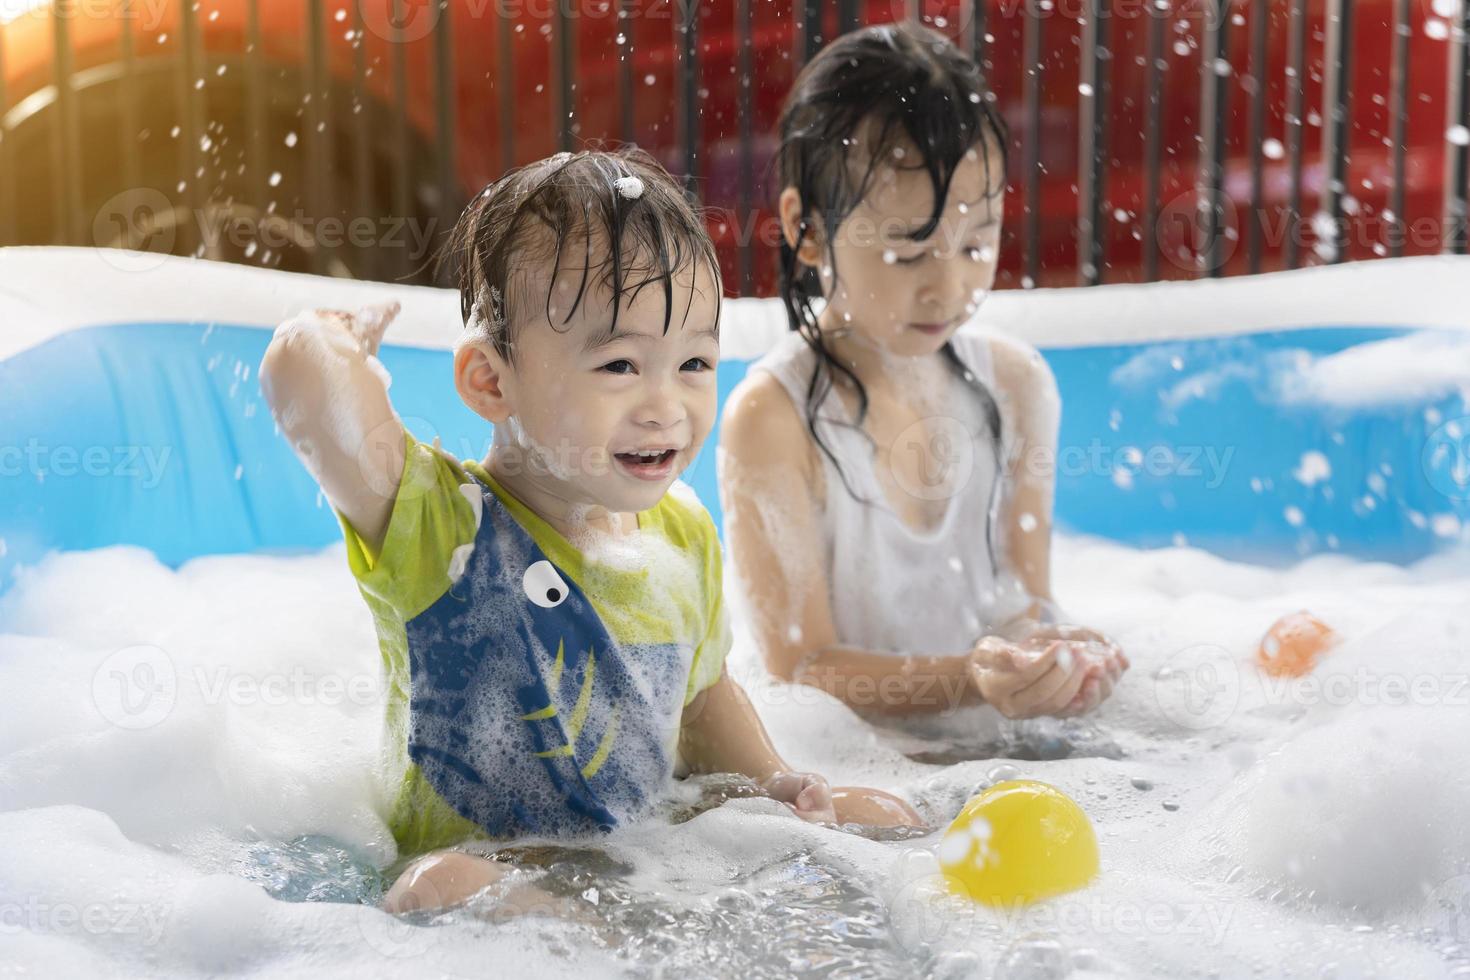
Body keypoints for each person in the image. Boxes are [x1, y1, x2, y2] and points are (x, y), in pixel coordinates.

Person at [258, 147, 920, 915]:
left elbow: (702, 700)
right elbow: (302, 383)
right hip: (491, 881)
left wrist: (772, 781)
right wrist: (330, 332)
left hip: (645, 864)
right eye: (619, 366)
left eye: (695, 362)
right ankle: (589, 938)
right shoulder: (440, 528)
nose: (665, 405)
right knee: (435, 886)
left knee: (888, 816)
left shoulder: (681, 539)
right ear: (490, 380)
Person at [718, 24, 1129, 724]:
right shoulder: (772, 420)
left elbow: (1026, 601)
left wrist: (1055, 658)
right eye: (910, 253)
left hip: (983, 743)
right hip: (849, 768)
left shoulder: (1015, 384)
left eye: (977, 242)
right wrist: (970, 681)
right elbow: (800, 670)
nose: (949, 288)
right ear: (807, 228)